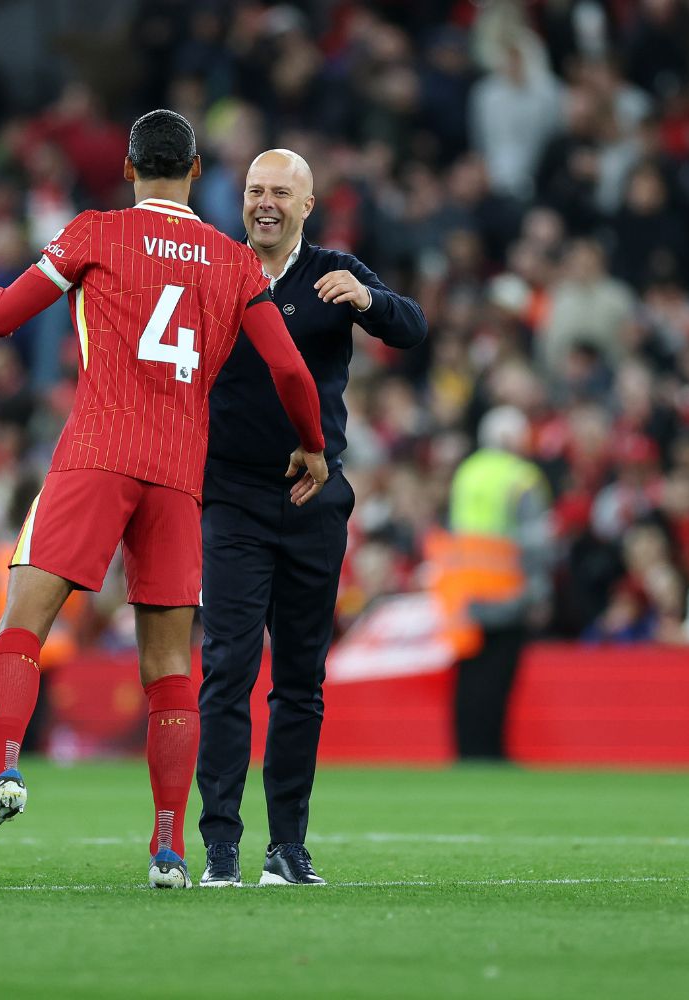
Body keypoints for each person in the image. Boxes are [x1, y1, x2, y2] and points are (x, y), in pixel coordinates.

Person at [0, 110, 328, 889]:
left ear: (127, 167)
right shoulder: (232, 262)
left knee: (25, 622)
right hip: (180, 476)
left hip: (97, 453)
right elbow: (289, 371)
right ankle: (168, 848)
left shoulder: (95, 234)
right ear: (193, 171)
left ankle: (0, 772)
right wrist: (312, 444)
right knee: (168, 669)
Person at [197, 149, 427, 888]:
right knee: (227, 671)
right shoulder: (212, 269)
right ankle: (221, 847)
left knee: (300, 679)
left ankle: (287, 847)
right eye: (255, 191)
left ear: (306, 203)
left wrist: (368, 300)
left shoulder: (335, 270)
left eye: (279, 193)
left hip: (313, 503)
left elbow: (413, 328)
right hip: (231, 498)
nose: (264, 203)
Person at [428, 406, 551, 760]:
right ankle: (492, 753)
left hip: (466, 592)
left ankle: (468, 751)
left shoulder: (467, 473)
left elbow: (453, 530)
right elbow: (536, 542)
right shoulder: (521, 477)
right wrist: (539, 593)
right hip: (507, 593)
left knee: (468, 677)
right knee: (498, 678)